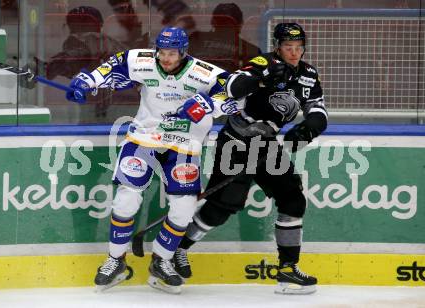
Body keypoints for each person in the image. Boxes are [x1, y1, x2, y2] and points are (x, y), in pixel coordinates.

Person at [65, 26, 239, 294]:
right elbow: (111, 68)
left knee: (184, 207)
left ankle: (161, 261)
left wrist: (208, 105)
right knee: (127, 198)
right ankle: (116, 260)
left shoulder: (203, 72)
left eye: (172, 53)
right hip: (144, 138)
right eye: (162, 52)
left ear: (183, 52)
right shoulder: (142, 60)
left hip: (183, 144)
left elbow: (236, 94)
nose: (166, 58)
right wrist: (85, 81)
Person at [174, 23, 328, 295]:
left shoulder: (309, 74)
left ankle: (288, 269)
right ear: (278, 46)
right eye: (288, 48)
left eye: (298, 48)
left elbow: (317, 108)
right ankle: (177, 250)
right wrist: (260, 79)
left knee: (293, 199)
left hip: (267, 144)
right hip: (237, 140)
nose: (294, 53)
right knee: (223, 205)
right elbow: (231, 86)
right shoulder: (263, 62)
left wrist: (309, 127)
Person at [188, 3, 261, 73]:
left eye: (228, 23)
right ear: (241, 24)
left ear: (212, 22)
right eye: (222, 22)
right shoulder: (252, 50)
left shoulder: (195, 40)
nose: (225, 27)